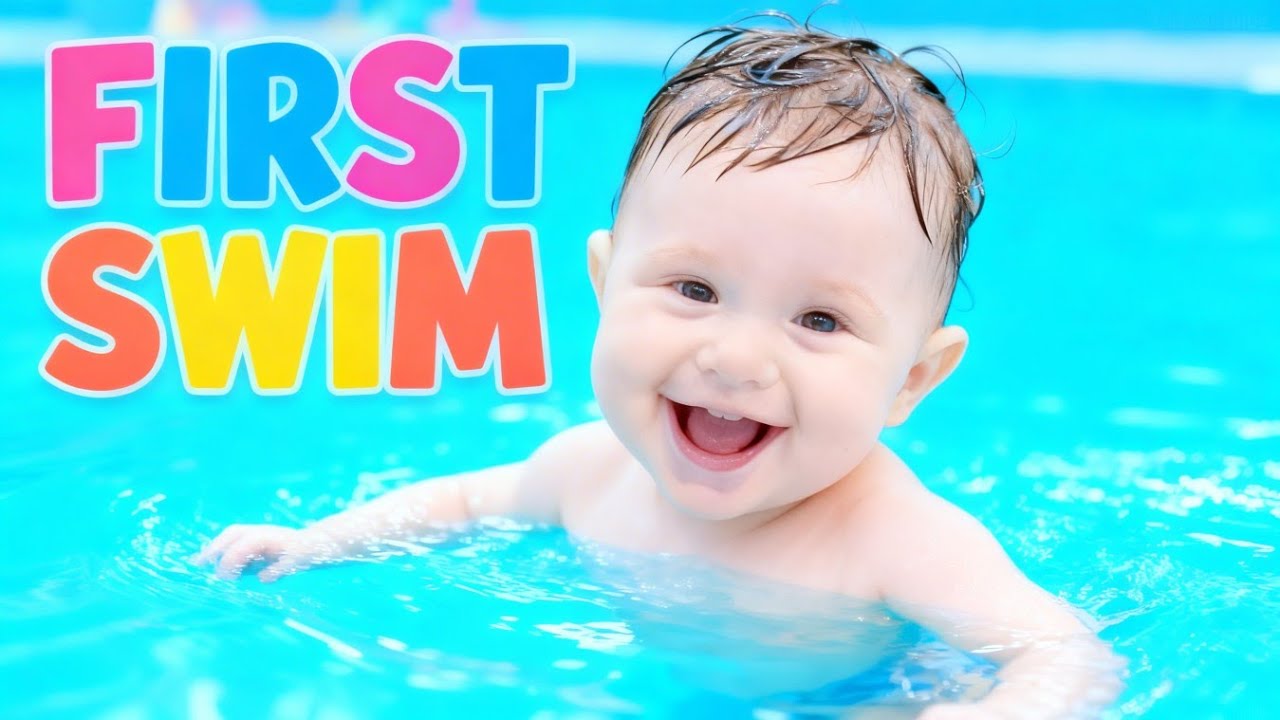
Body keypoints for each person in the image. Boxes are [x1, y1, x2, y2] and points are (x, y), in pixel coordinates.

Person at [196, 17, 1124, 718]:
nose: (731, 356)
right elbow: (463, 504)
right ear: (605, 285)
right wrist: (319, 541)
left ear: (913, 382)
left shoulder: (893, 538)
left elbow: (1069, 659)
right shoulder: (587, 469)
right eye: (693, 289)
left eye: (819, 318)